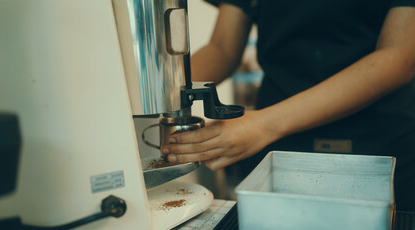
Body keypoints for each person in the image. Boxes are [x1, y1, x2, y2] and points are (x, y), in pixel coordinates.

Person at [162, 0, 415, 211]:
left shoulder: (266, 125)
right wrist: (159, 95)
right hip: (278, 150)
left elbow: (399, 57)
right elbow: (222, 47)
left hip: (375, 149)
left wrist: (264, 124)